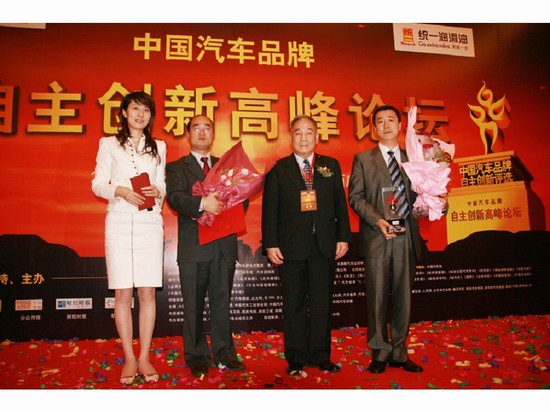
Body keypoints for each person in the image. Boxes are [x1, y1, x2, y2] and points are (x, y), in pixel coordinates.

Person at [261, 114, 352, 376]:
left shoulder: (330, 165)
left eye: (308, 132)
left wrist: (343, 237)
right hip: (291, 247)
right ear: (291, 138)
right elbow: (270, 210)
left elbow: (340, 205)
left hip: (324, 244)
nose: (303, 138)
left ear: (317, 137)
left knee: (322, 302)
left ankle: (321, 355)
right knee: (294, 304)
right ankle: (296, 358)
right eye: (298, 133)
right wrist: (271, 243)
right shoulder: (278, 169)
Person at [91, 91, 166, 384]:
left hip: (149, 223)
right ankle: (130, 357)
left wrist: (158, 191)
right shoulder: (108, 144)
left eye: (146, 110)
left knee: (147, 293)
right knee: (122, 293)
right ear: (124, 112)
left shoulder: (159, 146)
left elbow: (161, 184)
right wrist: (119, 190)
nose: (140, 115)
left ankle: (144, 356)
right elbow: (98, 184)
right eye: (135, 109)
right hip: (119, 222)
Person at [165, 115, 246, 378]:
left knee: (222, 303)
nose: (202, 132)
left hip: (223, 246)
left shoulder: (226, 167)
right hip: (194, 248)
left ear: (213, 133)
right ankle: (197, 355)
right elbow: (175, 198)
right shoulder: (177, 167)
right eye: (196, 128)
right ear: (188, 134)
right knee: (193, 305)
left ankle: (225, 353)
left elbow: (242, 199)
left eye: (207, 128)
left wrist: (232, 200)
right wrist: (203, 204)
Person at [348, 105, 424, 374]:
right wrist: (378, 220)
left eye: (391, 120)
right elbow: (355, 196)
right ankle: (380, 352)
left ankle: (400, 352)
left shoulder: (415, 159)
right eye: (380, 121)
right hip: (377, 236)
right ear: (374, 129)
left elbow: (421, 198)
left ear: (400, 125)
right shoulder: (363, 159)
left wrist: (436, 200)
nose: (386, 125)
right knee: (377, 298)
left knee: (404, 299)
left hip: (406, 238)